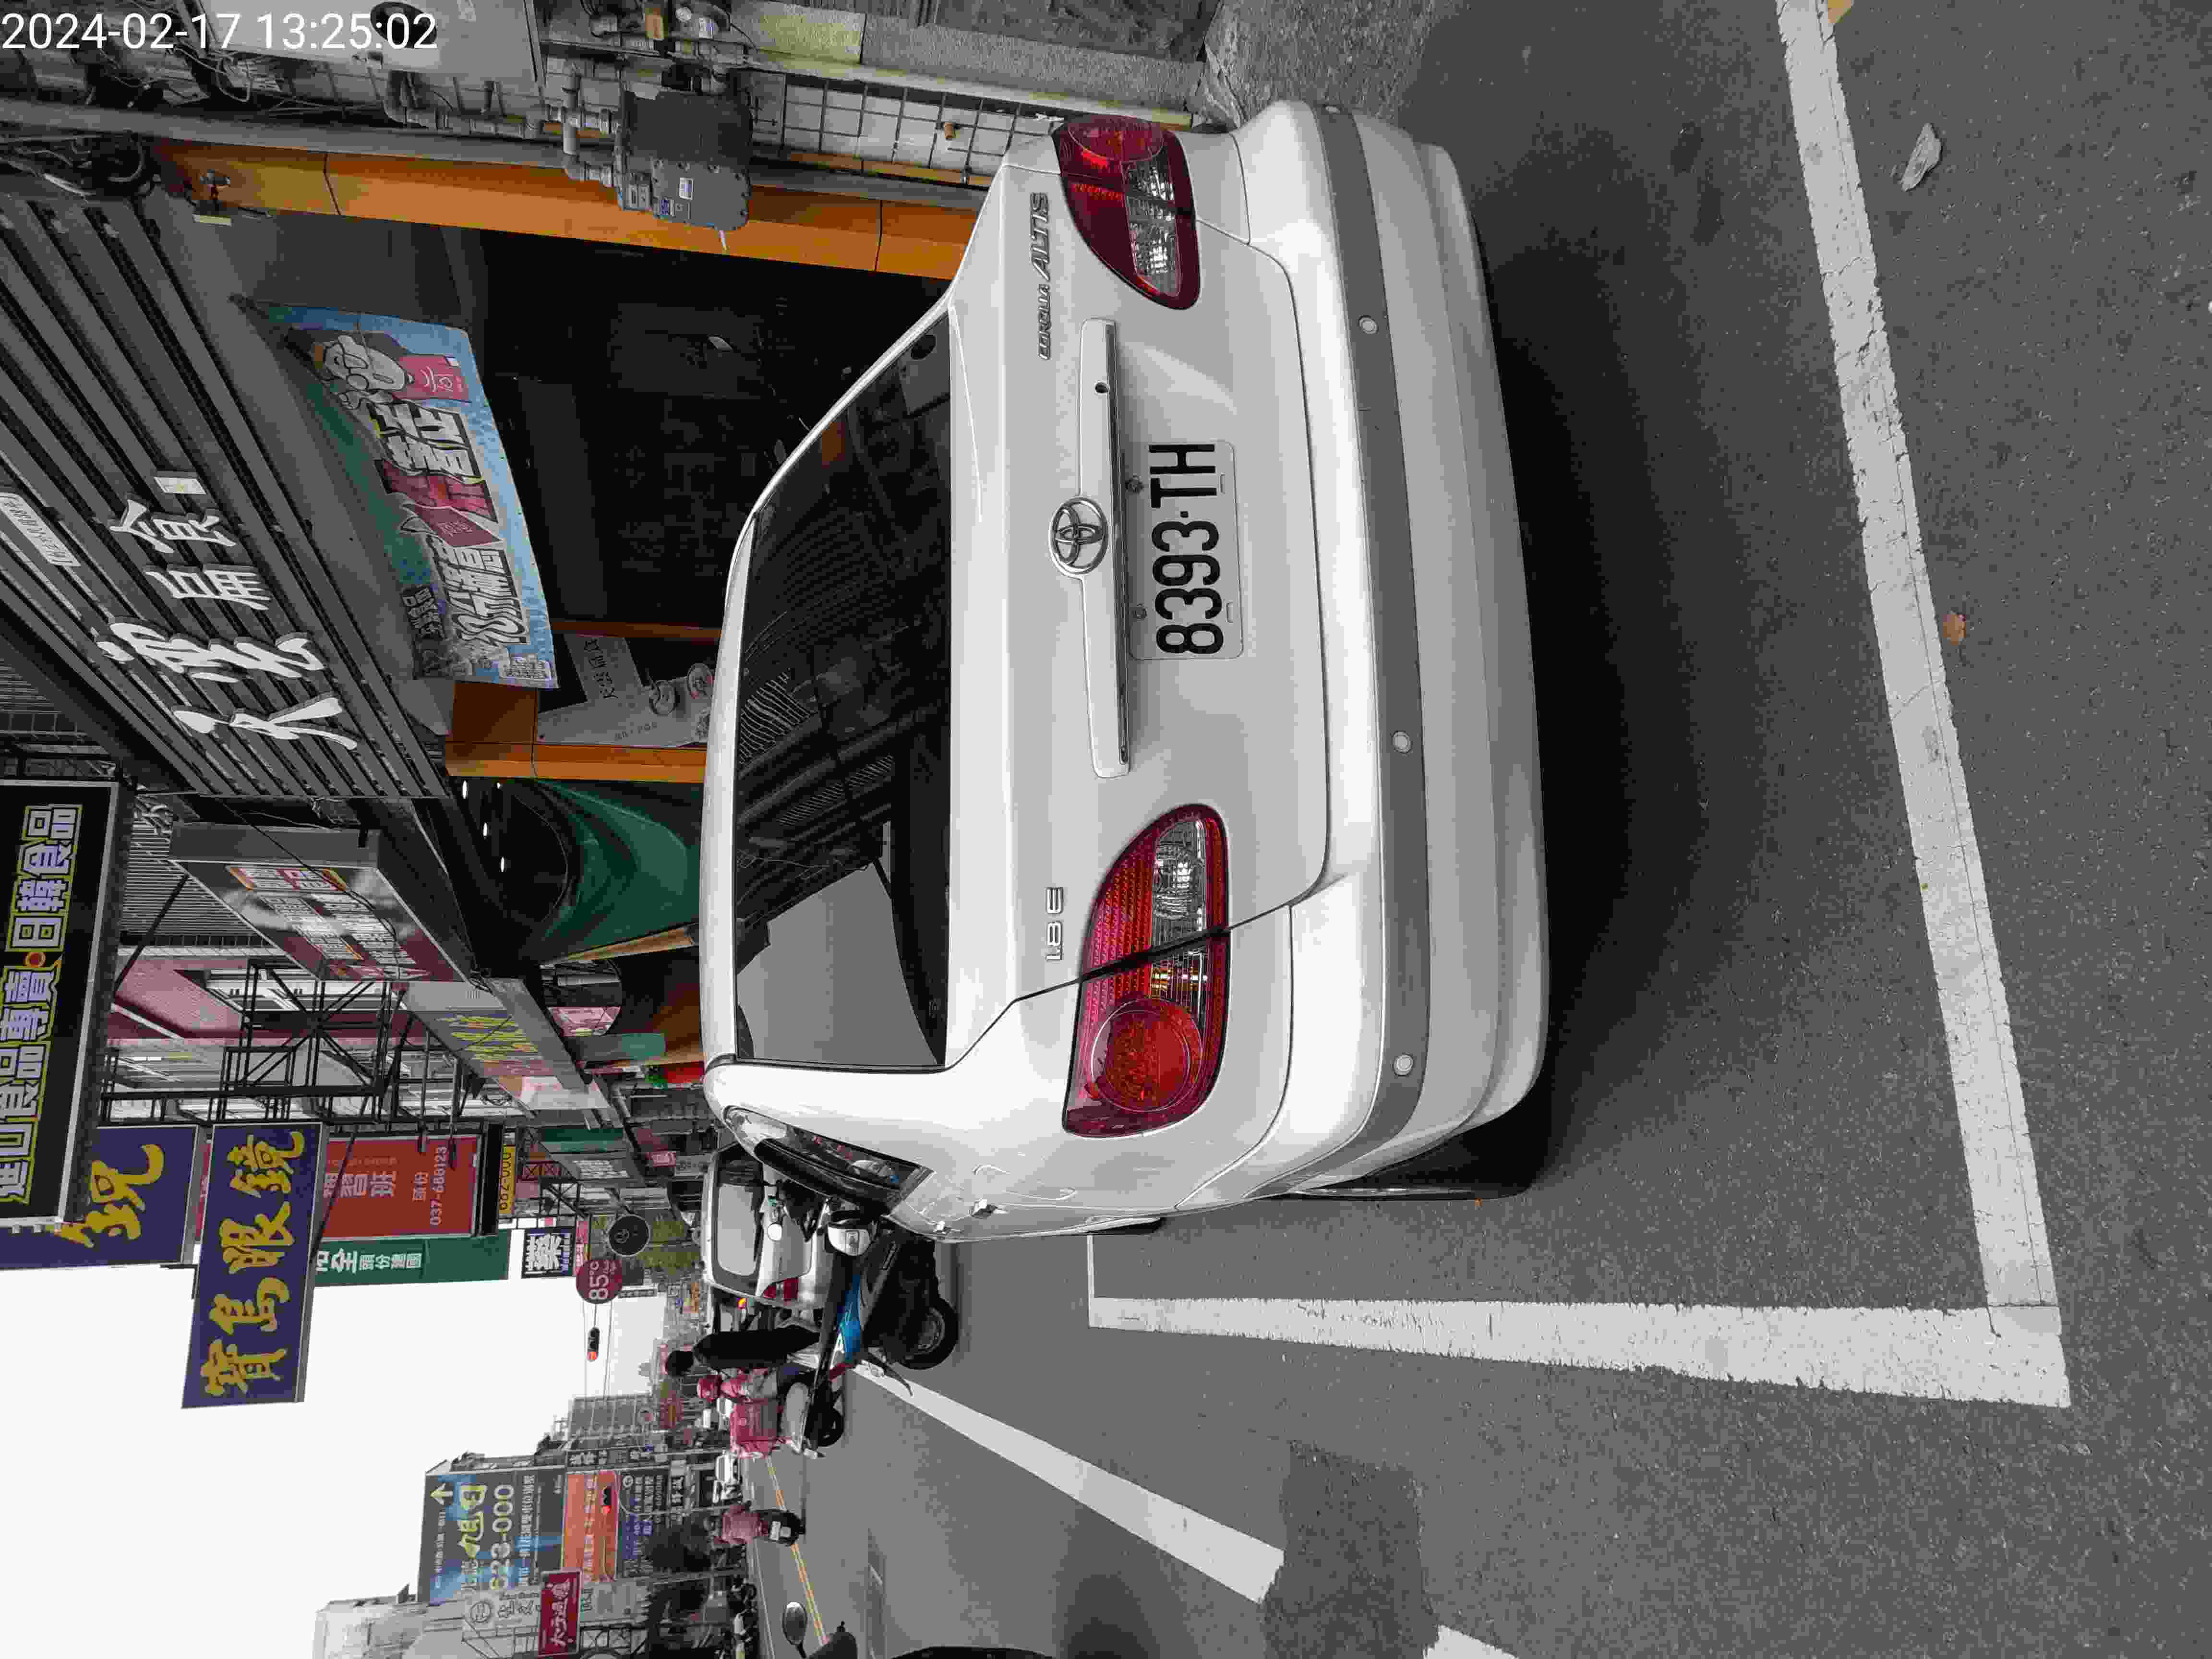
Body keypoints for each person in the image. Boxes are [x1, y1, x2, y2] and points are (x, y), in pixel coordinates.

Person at [665, 1325, 816, 1377]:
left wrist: (780, 1359)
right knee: (814, 1336)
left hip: (773, 1349)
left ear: (686, 1370)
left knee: (819, 1343)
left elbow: (747, 1359)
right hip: (765, 1337)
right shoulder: (705, 1342)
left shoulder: (709, 1360)